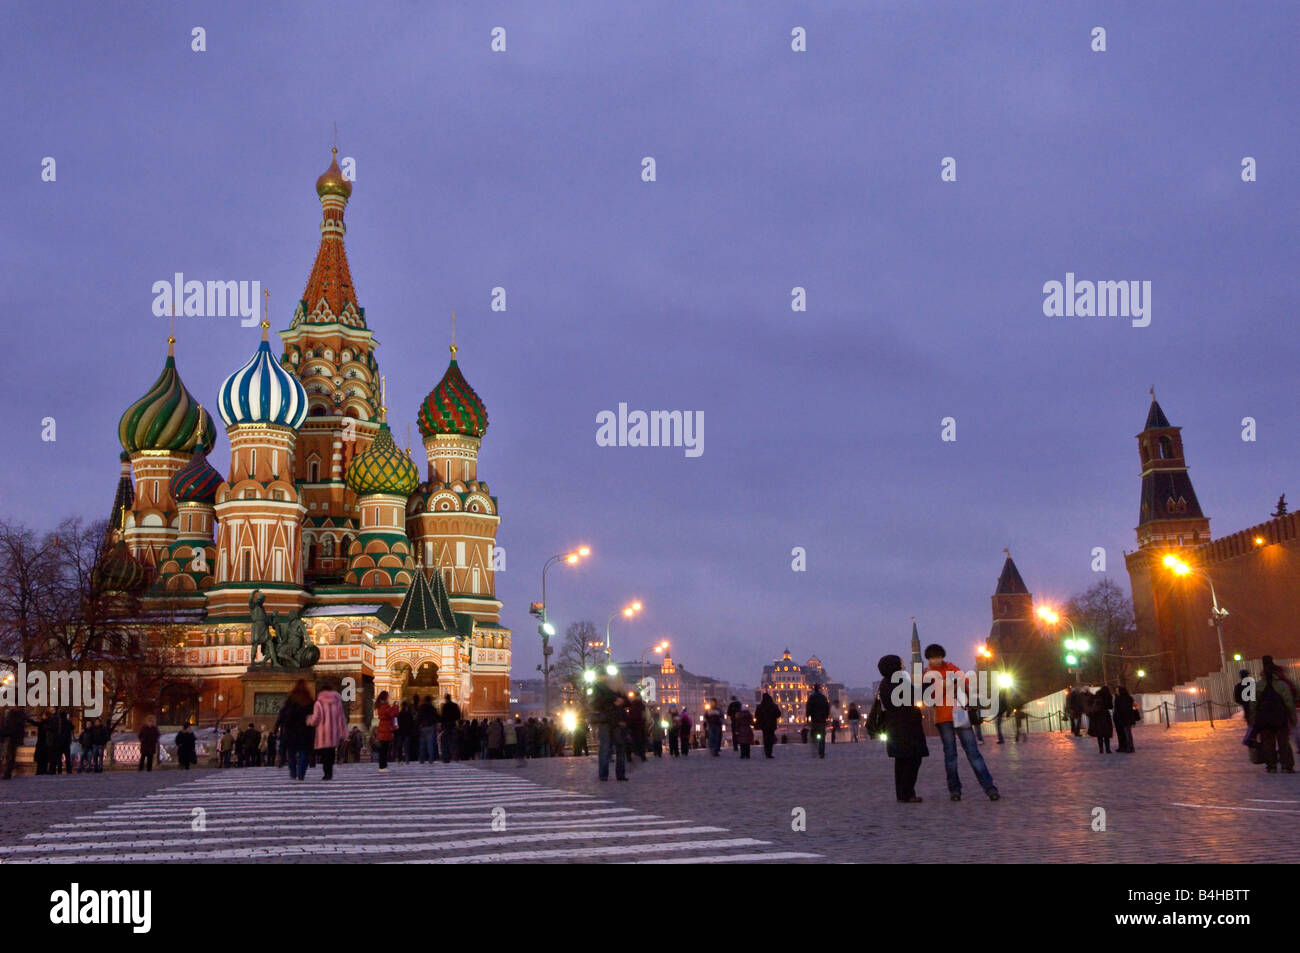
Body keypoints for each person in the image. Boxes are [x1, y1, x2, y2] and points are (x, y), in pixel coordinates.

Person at [924, 643, 999, 801]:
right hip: (943, 718)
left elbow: (966, 684)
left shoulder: (952, 668)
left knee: (973, 753)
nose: (936, 660)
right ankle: (955, 790)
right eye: (933, 658)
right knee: (950, 756)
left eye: (938, 657)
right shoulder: (927, 674)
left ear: (942, 656)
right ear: (928, 659)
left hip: (960, 714)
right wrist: (948, 684)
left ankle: (990, 788)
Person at [877, 654, 928, 802]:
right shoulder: (898, 681)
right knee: (912, 760)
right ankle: (907, 793)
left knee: (901, 762)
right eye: (901, 663)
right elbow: (915, 695)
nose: (903, 665)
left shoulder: (885, 683)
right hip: (906, 728)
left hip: (895, 727)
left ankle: (902, 793)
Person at [1253, 656, 1297, 773]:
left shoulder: (1257, 686)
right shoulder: (1282, 685)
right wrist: (1293, 718)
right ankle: (1286, 765)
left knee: (1267, 742)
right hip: (1280, 718)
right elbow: (1289, 702)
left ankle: (1271, 765)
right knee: (1283, 742)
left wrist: (1253, 721)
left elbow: (1253, 704)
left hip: (1264, 720)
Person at [589, 671, 627, 781]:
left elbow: (626, 702)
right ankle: (603, 774)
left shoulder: (618, 689)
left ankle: (619, 774)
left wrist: (622, 701)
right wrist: (614, 700)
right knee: (605, 748)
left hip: (616, 721)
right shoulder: (598, 688)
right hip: (606, 720)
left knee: (619, 748)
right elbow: (595, 703)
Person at [306, 679, 348, 780]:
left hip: (323, 734)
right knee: (331, 754)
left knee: (324, 755)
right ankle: (330, 772)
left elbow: (316, 719)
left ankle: (326, 774)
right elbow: (341, 717)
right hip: (333, 733)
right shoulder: (337, 702)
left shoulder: (318, 703)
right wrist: (343, 732)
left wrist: (309, 720)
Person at [276, 680, 315, 781]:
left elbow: (283, 714)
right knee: (304, 753)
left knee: (291, 753)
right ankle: (301, 773)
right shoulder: (309, 700)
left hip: (291, 731)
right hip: (305, 731)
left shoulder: (290, 699)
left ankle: (293, 772)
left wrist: (278, 726)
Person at [374, 691, 399, 771]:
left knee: (384, 748)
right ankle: (382, 766)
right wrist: (396, 706)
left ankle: (383, 765)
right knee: (384, 749)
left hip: (383, 727)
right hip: (386, 728)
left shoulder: (381, 706)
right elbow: (393, 714)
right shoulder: (385, 706)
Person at [2, 706, 27, 780]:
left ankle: (7, 773)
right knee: (10, 756)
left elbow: (11, 726)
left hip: (11, 736)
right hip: (12, 736)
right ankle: (7, 772)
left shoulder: (15, 714)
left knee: (10, 755)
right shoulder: (19, 714)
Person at [806, 684, 830, 758]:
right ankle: (821, 752)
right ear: (819, 689)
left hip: (815, 719)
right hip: (822, 720)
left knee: (813, 734)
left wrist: (807, 717)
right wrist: (826, 717)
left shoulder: (811, 697)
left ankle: (815, 748)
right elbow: (827, 707)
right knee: (822, 736)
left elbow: (808, 707)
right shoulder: (823, 698)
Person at [1089, 686, 1114, 753]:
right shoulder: (1108, 696)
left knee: (1099, 733)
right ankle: (1108, 749)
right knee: (1106, 733)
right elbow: (1110, 706)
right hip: (1105, 715)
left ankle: (1101, 749)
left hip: (1097, 716)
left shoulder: (1097, 695)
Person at [1114, 686, 1139, 753]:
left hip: (1123, 718)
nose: (1116, 692)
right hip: (1128, 718)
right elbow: (1134, 706)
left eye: (1117, 691)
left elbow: (1118, 710)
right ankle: (1129, 747)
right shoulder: (1129, 698)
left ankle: (1128, 747)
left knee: (1126, 733)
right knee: (1127, 733)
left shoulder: (1118, 699)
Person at [756, 692, 781, 759]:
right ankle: (769, 752)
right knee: (770, 738)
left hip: (764, 725)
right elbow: (779, 714)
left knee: (765, 738)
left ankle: (766, 752)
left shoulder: (760, 706)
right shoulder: (773, 705)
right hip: (772, 725)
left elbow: (757, 716)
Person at [418, 695, 440, 763]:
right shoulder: (432, 708)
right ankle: (431, 759)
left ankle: (422, 759)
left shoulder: (421, 707)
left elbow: (419, 717)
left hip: (423, 727)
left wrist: (418, 725)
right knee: (430, 744)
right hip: (431, 727)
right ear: (430, 700)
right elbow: (437, 717)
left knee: (422, 744)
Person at [439, 694, 461, 763]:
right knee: (454, 741)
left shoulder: (445, 706)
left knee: (445, 742)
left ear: (446, 699)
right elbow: (458, 715)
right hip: (453, 725)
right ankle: (455, 757)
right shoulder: (455, 705)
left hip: (446, 725)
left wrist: (442, 724)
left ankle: (446, 758)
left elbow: (443, 716)